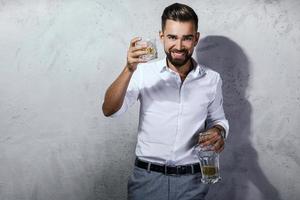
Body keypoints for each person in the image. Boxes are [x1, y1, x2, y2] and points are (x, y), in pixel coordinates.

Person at [102, 3, 229, 200]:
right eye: (172, 37)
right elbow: (109, 109)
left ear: (196, 38)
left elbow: (218, 119)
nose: (178, 46)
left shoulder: (212, 79)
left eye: (186, 38)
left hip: (193, 182)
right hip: (147, 181)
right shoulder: (143, 72)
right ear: (161, 36)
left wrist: (218, 131)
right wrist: (128, 68)